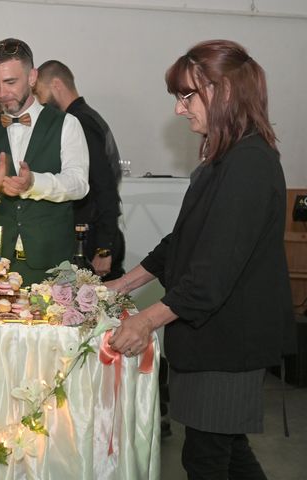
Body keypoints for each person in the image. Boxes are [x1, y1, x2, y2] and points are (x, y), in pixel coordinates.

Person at [106, 40, 295, 479]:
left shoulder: (249, 163)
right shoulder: (222, 156)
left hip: (229, 343)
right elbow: (184, 241)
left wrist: (145, 321)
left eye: (187, 96)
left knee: (207, 458)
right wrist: (121, 285)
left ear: (225, 91)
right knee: (227, 453)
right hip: (209, 338)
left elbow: (210, 276)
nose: (179, 109)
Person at [0, 38, 89, 285]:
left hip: (54, 266)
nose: (1, 93)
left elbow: (79, 184)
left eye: (10, 82)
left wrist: (33, 183)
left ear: (32, 78)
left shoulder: (67, 124)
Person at [35, 60, 125, 280]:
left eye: (39, 93)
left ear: (56, 84)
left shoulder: (79, 122)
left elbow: (105, 185)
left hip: (93, 240)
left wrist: (104, 248)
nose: (39, 101)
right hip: (92, 235)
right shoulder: (85, 117)